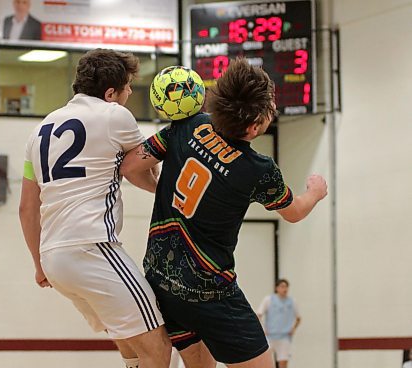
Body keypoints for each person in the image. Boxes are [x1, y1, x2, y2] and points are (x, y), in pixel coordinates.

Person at [120, 58, 328, 368]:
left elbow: (131, 167)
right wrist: (315, 192)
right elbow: (294, 212)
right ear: (255, 126)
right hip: (211, 291)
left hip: (162, 280)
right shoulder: (259, 170)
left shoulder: (190, 124)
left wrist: (163, 190)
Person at [18, 48, 171, 368]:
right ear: (110, 92)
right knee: (158, 344)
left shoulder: (39, 131)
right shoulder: (115, 115)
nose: (131, 92)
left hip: (53, 257)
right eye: (128, 86)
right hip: (93, 247)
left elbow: (26, 209)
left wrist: (38, 264)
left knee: (129, 337)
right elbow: (138, 169)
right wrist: (163, 191)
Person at [257, 279, 301, 368]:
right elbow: (259, 314)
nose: (285, 289)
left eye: (286, 287)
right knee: (266, 362)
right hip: (269, 337)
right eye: (282, 286)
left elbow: (298, 318)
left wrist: (293, 329)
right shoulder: (268, 300)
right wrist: (263, 329)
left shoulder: (292, 301)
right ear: (277, 288)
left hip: (284, 337)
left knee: (283, 363)